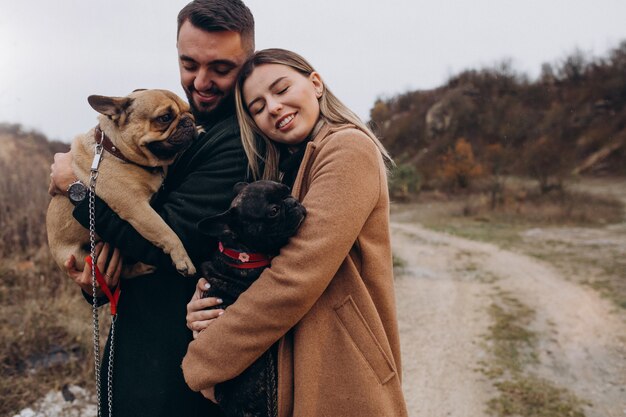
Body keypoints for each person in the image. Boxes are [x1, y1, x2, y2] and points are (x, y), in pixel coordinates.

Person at [47, 1, 255, 416]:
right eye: (189, 63)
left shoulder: (238, 140)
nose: (201, 81)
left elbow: (172, 237)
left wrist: (74, 189)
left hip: (182, 360)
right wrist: (99, 281)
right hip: (138, 340)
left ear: (247, 61)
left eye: (220, 68)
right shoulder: (181, 127)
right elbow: (119, 237)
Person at [183, 49, 409, 417]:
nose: (273, 107)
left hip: (343, 371)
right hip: (291, 367)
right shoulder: (287, 166)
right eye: (257, 107)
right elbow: (254, 259)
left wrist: (205, 358)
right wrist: (209, 302)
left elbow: (296, 274)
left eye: (282, 88)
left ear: (315, 83)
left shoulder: (347, 148)